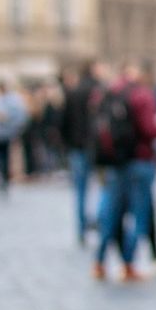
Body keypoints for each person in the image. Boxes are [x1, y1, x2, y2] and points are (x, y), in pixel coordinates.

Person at [92, 60, 156, 283]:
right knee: (139, 214)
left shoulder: (105, 94)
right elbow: (151, 129)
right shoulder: (142, 95)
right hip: (139, 159)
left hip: (114, 162)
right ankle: (128, 264)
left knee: (112, 213)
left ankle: (99, 261)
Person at [61, 62, 99, 242]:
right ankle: (100, 222)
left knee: (81, 190)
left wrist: (68, 143)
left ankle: (82, 227)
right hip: (96, 148)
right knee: (101, 188)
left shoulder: (73, 93)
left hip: (77, 147)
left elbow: (63, 122)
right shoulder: (99, 92)